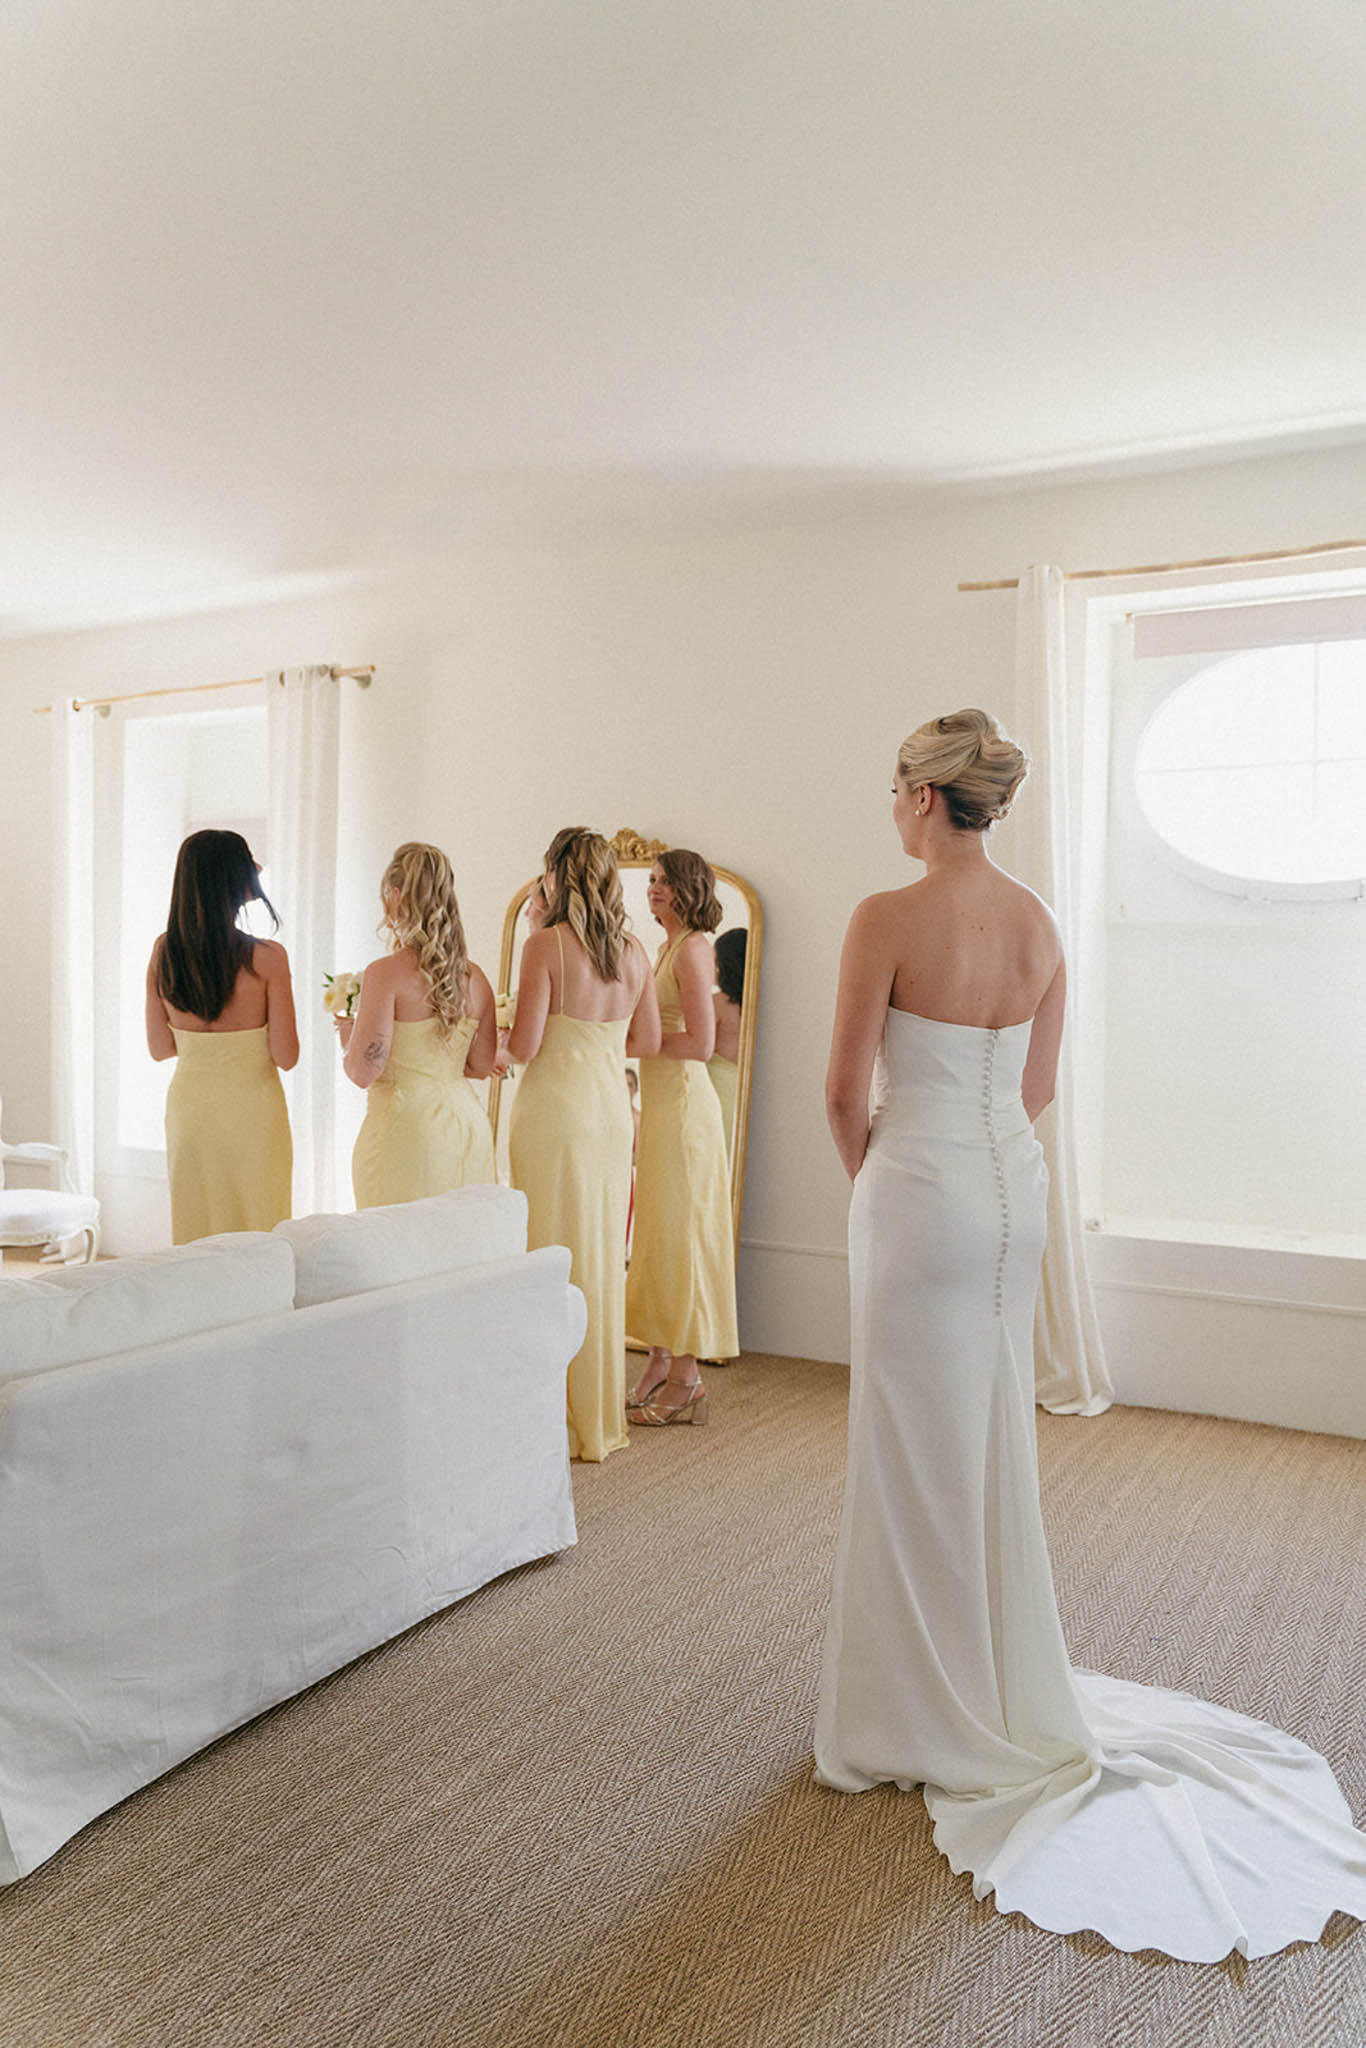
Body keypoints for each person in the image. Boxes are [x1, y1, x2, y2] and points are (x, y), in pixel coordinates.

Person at [816, 708, 1366, 1961]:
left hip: (920, 1191)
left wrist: (887, 1186)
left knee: (907, 1450)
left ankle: (910, 1712)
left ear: (921, 796)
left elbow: (844, 1094)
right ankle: (994, 1677)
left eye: (892, 786)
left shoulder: (883, 916)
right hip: (1012, 1193)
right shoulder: (1039, 922)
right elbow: (1036, 1088)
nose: (889, 806)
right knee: (986, 1438)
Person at [506, 829, 660, 1461]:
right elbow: (647, 1042)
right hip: (609, 1114)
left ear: (555, 874)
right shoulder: (635, 951)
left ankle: (555, 1416)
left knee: (550, 1251)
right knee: (598, 1253)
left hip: (555, 1114)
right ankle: (596, 1413)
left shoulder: (545, 946)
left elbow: (523, 1047)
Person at [625, 848, 740, 1423]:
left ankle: (688, 1377)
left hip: (687, 1111)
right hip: (663, 1107)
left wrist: (632, 1045)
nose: (655, 889)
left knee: (685, 1236)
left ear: (689, 889)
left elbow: (700, 1043)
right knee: (660, 1235)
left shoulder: (694, 950)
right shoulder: (665, 948)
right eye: (651, 880)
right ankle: (659, 1358)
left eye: (666, 882)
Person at [146, 829, 296, 1243]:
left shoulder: (163, 952)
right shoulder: (268, 958)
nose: (258, 867)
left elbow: (160, 1048)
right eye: (248, 860)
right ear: (228, 877)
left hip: (191, 1112)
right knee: (258, 1226)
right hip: (253, 1113)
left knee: (197, 1227)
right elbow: (286, 1055)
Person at [341, 842, 496, 1204]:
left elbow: (363, 1071)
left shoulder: (385, 974)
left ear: (396, 896)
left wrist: (349, 1039)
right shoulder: (476, 978)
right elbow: (481, 1065)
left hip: (407, 1132)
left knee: (398, 1235)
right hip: (468, 1126)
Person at [707, 925, 746, 1164]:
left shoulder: (717, 1003)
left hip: (715, 1091)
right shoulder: (756, 1006)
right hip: (743, 1091)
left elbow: (700, 1047)